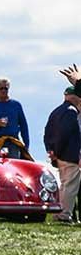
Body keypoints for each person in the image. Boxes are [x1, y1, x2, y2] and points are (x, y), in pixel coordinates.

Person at [42, 83, 81, 224]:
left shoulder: (56, 111)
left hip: (60, 154)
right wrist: (57, 151)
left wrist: (51, 151)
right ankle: (64, 214)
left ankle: (60, 213)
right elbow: (64, 134)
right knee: (70, 186)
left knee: (65, 185)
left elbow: (47, 133)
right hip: (69, 154)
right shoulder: (71, 111)